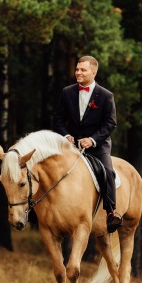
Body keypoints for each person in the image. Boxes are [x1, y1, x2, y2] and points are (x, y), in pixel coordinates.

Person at [52, 55, 122, 233]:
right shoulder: (67, 92)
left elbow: (110, 123)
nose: (78, 72)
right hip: (71, 145)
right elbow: (58, 118)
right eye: (77, 69)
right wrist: (66, 135)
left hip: (98, 146)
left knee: (108, 171)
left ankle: (111, 212)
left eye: (82, 69)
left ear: (93, 72)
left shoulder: (106, 96)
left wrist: (92, 140)